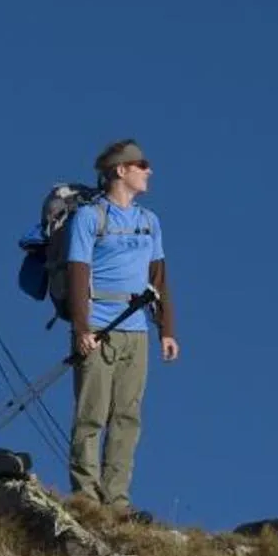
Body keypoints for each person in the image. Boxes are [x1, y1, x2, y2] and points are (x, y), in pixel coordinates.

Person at [65, 139, 180, 509]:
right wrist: (82, 328)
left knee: (127, 416)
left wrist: (166, 330)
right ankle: (86, 495)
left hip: (136, 332)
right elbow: (78, 273)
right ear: (120, 170)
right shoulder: (90, 217)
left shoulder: (150, 222)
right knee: (92, 414)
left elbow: (158, 280)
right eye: (141, 165)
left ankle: (117, 499)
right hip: (97, 328)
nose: (149, 171)